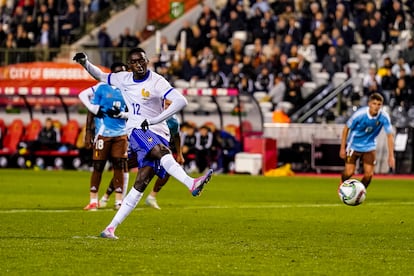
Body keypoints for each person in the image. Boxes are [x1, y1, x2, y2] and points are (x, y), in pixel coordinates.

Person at [73, 48, 213, 239]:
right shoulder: (123, 78)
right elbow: (101, 76)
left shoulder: (156, 81)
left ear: (147, 61)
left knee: (141, 183)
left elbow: (181, 101)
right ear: (129, 65)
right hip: (137, 129)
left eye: (142, 61)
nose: (139, 64)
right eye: (134, 62)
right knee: (162, 152)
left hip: (158, 131)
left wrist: (156, 120)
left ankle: (110, 228)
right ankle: (191, 183)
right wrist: (85, 63)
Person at [78, 62, 129, 211]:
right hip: (103, 134)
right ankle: (93, 200)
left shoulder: (129, 90)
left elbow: (135, 112)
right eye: (120, 73)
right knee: (98, 166)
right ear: (113, 75)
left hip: (121, 134)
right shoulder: (102, 87)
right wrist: (89, 132)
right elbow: (91, 110)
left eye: (125, 73)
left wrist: (122, 114)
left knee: (119, 166)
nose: (123, 76)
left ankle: (118, 201)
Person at [339, 93, 395, 188]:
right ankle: (342, 185)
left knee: (369, 175)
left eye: (379, 104)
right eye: (374, 103)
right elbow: (346, 128)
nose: (376, 106)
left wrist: (391, 155)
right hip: (354, 145)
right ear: (369, 104)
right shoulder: (360, 114)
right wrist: (342, 148)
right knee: (349, 172)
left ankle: (360, 192)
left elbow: (390, 136)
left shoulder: (384, 117)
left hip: (369, 146)